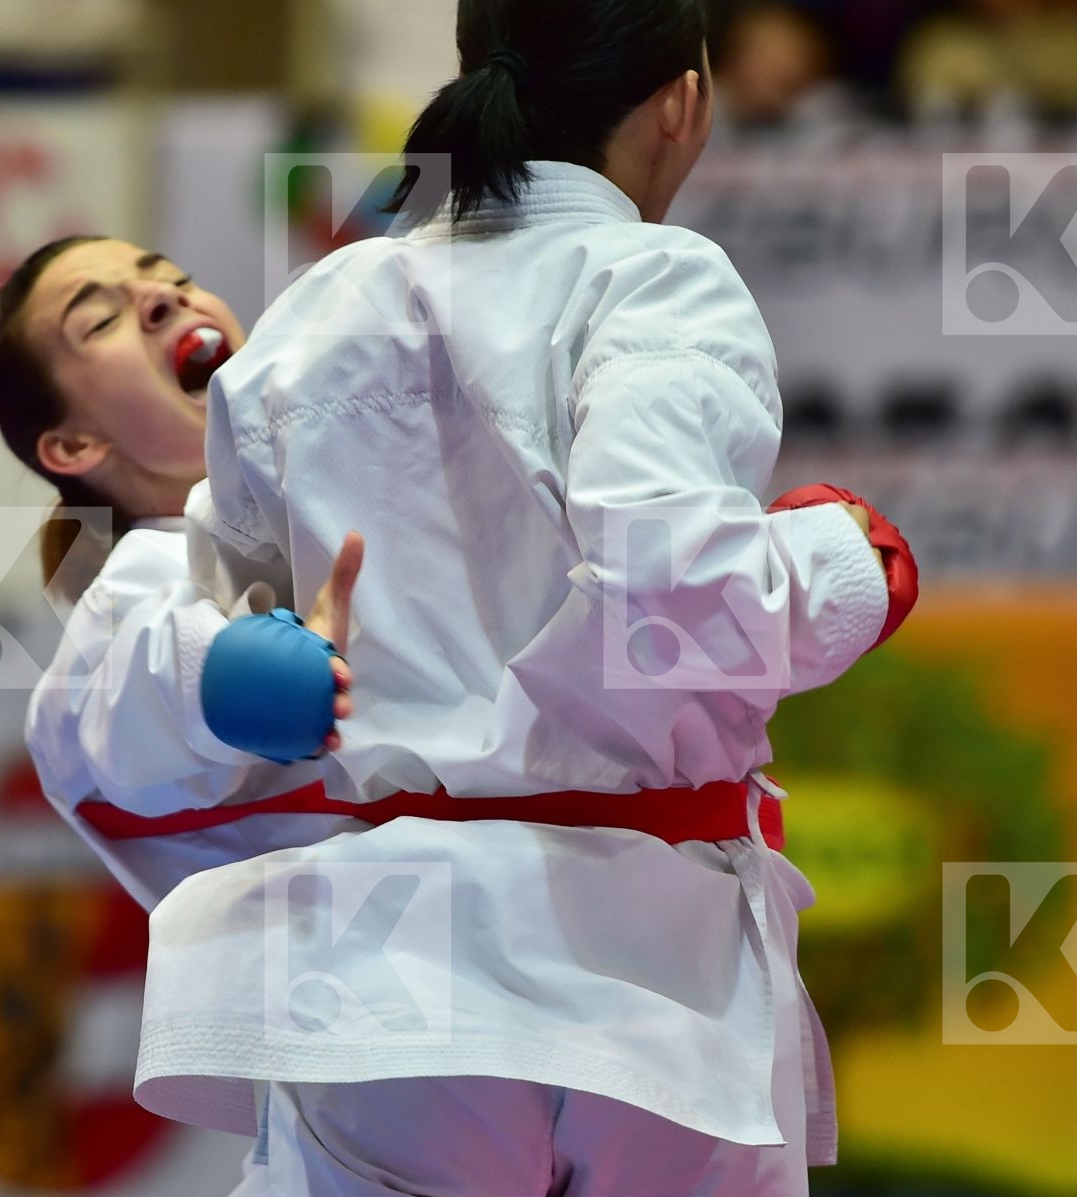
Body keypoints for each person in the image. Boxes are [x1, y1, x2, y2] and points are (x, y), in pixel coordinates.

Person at [111, 0, 917, 1194]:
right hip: (637, 983)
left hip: (383, 983)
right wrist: (850, 565)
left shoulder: (315, 313)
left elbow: (234, 656)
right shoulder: (656, 278)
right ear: (684, 105)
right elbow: (672, 588)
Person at [0, 235, 360, 1195]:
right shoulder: (134, 598)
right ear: (75, 448)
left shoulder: (359, 495)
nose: (157, 297)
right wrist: (231, 678)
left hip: (557, 1019)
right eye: (102, 318)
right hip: (373, 1092)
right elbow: (137, 707)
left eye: (170, 277)